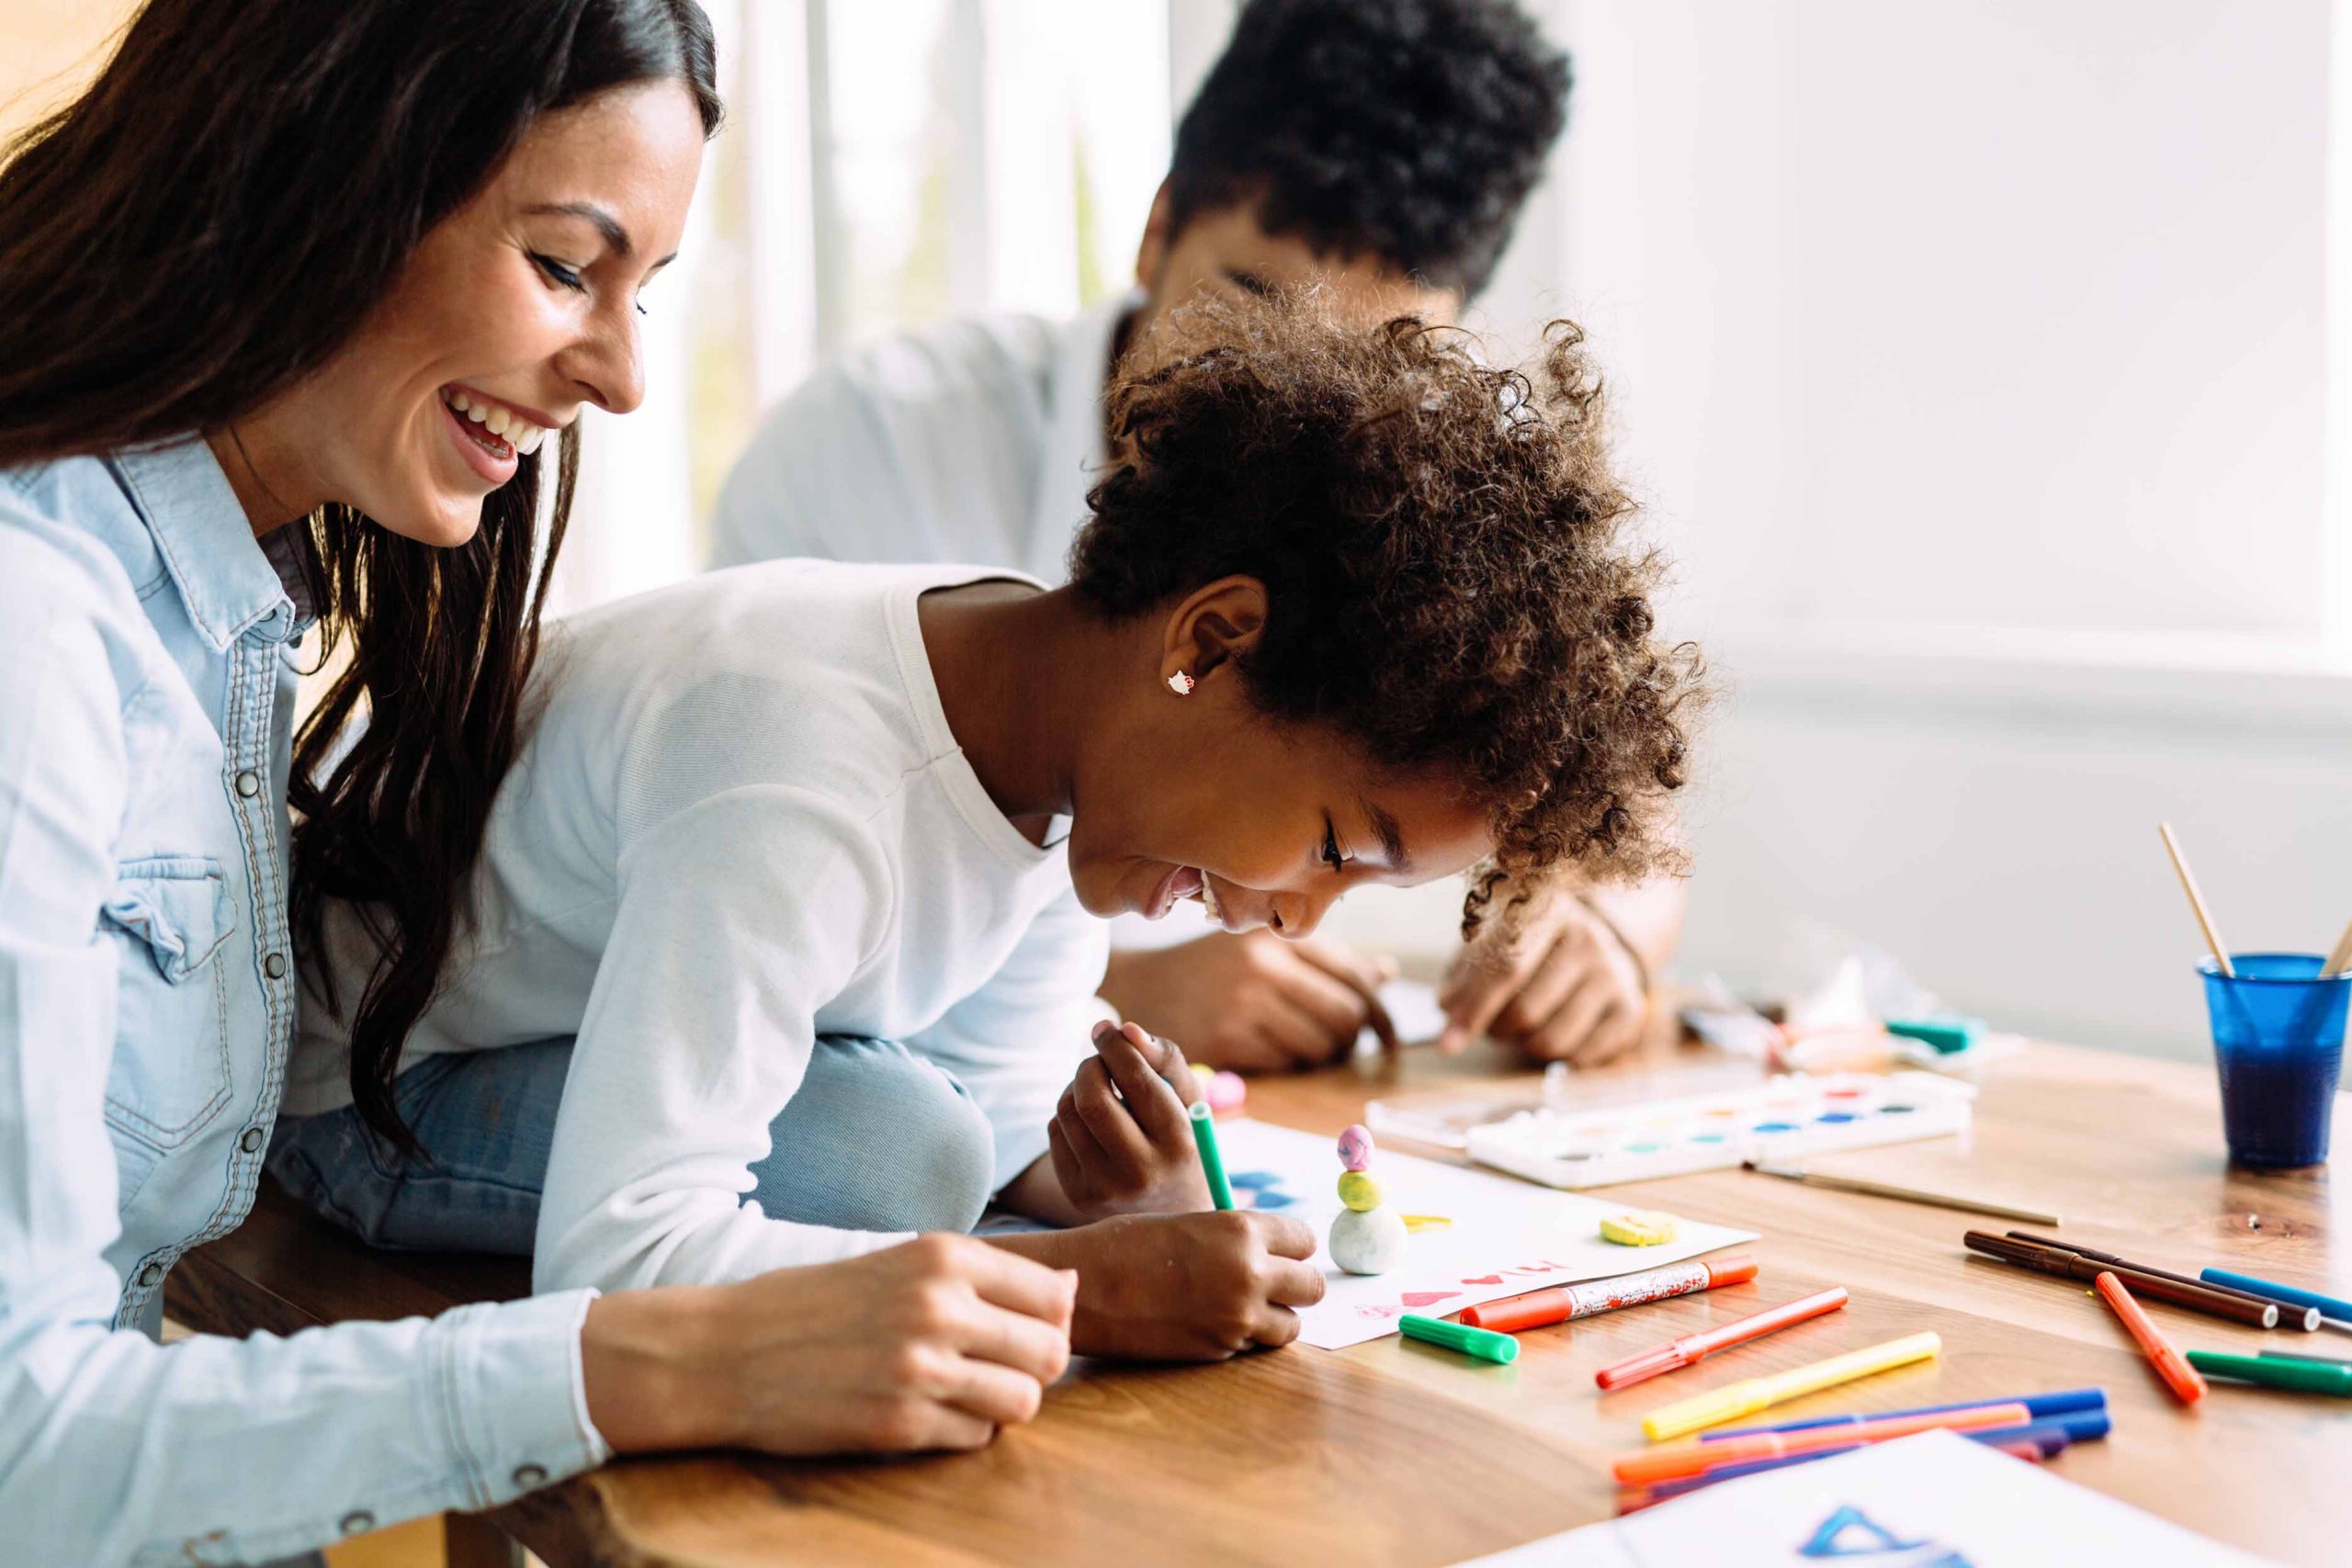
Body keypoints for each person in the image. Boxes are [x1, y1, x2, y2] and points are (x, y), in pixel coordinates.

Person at [0, 6, 1077, 1562]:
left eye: (647, 290)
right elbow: (24, 1447)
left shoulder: (226, 610)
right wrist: (665, 1359)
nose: (626, 376)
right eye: (568, 266)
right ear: (325, 166)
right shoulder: (38, 625)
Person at [277, 295, 1703, 1359]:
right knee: (895, 1156)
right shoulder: (804, 771)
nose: (1293, 911)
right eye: (1336, 843)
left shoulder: (1064, 733)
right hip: (364, 1088)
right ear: (1211, 638)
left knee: (941, 1143)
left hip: (566, 1037)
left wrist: (1074, 1185)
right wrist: (1084, 1292)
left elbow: (996, 1115)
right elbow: (624, 1248)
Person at [706, 0, 1684, 1074]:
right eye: (1251, 303)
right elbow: (744, 860)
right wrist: (1111, 984)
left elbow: (1618, 776)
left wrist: (1608, 935)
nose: (1295, 388)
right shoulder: (874, 444)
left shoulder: (1432, 501)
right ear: (1159, 225)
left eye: (1373, 357)